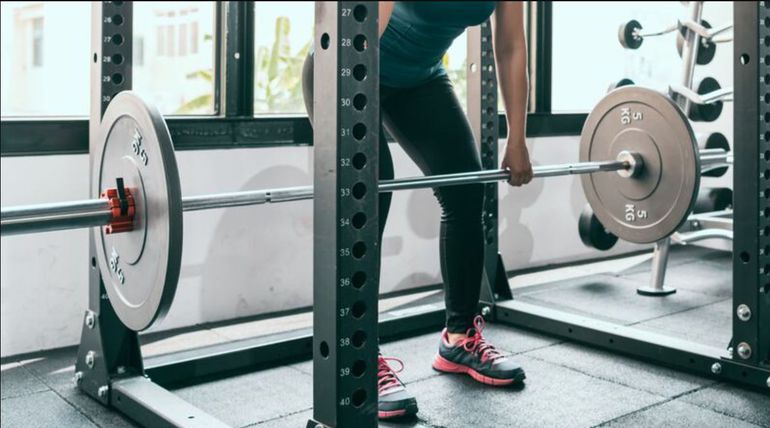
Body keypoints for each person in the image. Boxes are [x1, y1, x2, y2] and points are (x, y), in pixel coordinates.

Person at [301, 1, 532, 419]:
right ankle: (358, 360)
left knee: (466, 190)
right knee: (365, 194)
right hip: (347, 65)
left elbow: (512, 46)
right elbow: (367, 34)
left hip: (419, 80)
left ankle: (458, 340)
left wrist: (517, 138)